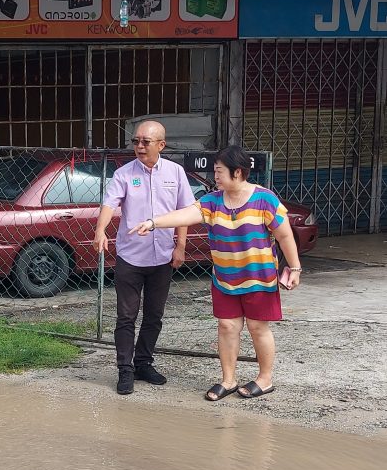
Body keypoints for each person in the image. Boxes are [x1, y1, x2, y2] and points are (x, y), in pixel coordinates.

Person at [129, 145, 302, 401]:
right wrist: (154, 223)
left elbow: (285, 235)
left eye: (219, 172)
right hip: (225, 279)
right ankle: (228, 380)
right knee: (226, 326)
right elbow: (186, 214)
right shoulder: (212, 201)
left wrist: (295, 267)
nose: (216, 177)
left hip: (260, 279)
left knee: (257, 327)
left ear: (239, 172)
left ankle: (265, 379)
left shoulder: (265, 199)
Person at [94, 120, 193, 395]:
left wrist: (180, 246)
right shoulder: (124, 174)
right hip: (131, 257)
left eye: (144, 142)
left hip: (162, 257)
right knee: (126, 316)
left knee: (154, 316)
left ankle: (143, 363)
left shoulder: (175, 173)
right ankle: (125, 370)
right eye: (136, 141)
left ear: (161, 145)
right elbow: (109, 204)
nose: (138, 146)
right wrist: (100, 230)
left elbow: (184, 211)